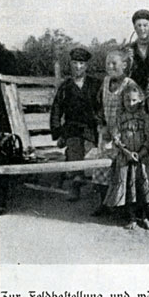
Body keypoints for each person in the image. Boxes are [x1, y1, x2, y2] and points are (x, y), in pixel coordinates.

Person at [91, 49, 142, 216]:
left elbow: (136, 109)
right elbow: (98, 106)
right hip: (106, 133)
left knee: (123, 171)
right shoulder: (105, 82)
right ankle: (104, 204)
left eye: (114, 63)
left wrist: (122, 131)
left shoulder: (129, 84)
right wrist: (102, 124)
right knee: (101, 169)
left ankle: (125, 208)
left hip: (125, 134)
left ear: (124, 65)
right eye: (108, 64)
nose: (110, 67)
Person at [50, 47, 101, 201]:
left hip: (92, 128)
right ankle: (74, 186)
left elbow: (102, 106)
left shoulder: (95, 84)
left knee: (92, 154)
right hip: (71, 129)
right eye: (75, 63)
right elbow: (56, 110)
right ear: (71, 64)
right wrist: (57, 133)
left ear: (86, 66)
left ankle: (97, 189)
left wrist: (101, 125)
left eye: (81, 63)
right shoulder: (65, 87)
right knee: (74, 151)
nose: (78, 66)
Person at [104, 85, 149, 230]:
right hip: (125, 158)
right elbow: (116, 138)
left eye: (133, 100)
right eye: (127, 101)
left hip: (142, 158)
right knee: (128, 187)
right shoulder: (120, 118)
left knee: (143, 187)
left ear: (140, 100)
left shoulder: (144, 117)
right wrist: (127, 153)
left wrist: (142, 152)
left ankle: (144, 216)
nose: (131, 104)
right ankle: (131, 217)